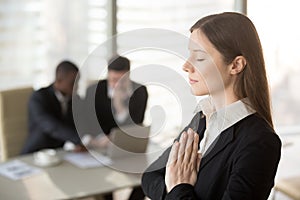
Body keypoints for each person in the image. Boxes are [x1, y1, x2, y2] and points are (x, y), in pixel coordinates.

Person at [142, 12, 281, 200]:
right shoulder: (202, 118)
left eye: (199, 58)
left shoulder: (260, 142)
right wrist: (176, 189)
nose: (186, 65)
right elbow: (150, 176)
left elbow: (169, 183)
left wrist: (179, 188)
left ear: (236, 65)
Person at [84, 55, 148, 200]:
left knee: (148, 176)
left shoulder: (140, 91)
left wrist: (119, 106)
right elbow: (89, 123)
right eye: (113, 80)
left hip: (128, 147)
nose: (117, 85)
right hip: (101, 146)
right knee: (104, 182)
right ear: (107, 75)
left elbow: (135, 125)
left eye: (122, 80)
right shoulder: (93, 91)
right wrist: (101, 139)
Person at [21, 61, 84, 154]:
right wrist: (81, 140)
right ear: (59, 80)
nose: (77, 87)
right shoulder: (39, 98)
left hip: (61, 153)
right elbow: (52, 127)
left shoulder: (75, 99)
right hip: (36, 153)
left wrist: (81, 143)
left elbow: (81, 123)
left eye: (78, 82)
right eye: (72, 83)